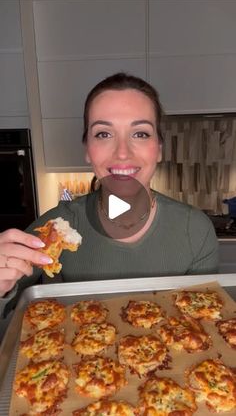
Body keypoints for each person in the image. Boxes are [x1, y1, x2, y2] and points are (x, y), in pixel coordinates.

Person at [0, 72, 219, 319]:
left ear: (158, 148)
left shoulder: (195, 230)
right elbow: (9, 325)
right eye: (104, 134)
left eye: (140, 133)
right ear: (87, 149)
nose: (122, 153)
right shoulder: (57, 227)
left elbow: (206, 323)